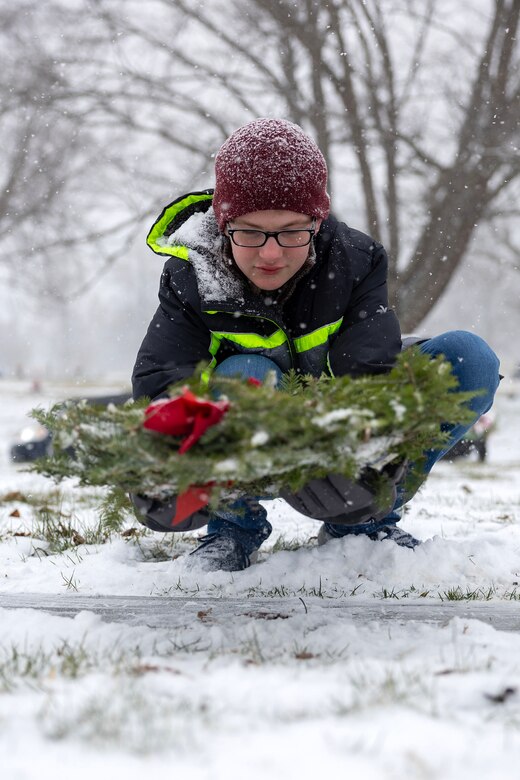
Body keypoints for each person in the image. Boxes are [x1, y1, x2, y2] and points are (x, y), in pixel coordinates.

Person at [132, 117, 500, 571]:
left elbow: (369, 371)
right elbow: (165, 375)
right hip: (246, 436)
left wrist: (360, 457)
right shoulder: (193, 277)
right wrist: (168, 456)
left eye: (291, 232)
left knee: (470, 359)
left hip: (331, 420)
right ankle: (232, 527)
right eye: (249, 232)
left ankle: (364, 521)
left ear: (317, 221)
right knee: (243, 375)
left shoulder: (356, 262)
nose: (271, 253)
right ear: (224, 224)